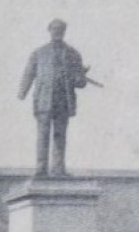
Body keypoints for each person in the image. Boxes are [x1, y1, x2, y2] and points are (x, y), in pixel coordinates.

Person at [17, 18, 91, 177]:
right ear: (49, 31)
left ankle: (58, 169)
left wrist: (79, 77)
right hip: (43, 99)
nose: (57, 32)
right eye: (54, 29)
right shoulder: (38, 53)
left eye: (60, 29)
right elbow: (29, 73)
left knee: (60, 136)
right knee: (42, 135)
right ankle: (41, 169)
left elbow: (80, 82)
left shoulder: (73, 54)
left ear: (64, 31)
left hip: (63, 100)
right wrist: (22, 91)